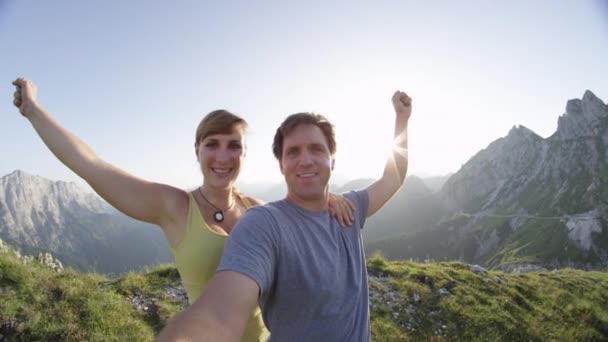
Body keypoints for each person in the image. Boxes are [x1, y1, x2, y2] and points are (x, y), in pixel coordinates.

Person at [11, 78, 356, 342]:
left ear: (244, 154)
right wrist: (34, 110)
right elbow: (89, 164)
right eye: (212, 145)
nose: (223, 157)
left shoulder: (260, 210)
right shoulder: (175, 207)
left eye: (233, 146)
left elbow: (302, 203)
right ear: (197, 151)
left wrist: (328, 198)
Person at [157, 89, 412, 341]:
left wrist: (401, 119)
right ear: (281, 166)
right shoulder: (263, 223)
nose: (306, 160)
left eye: (316, 149)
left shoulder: (349, 210)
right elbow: (221, 315)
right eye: (293, 152)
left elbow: (394, 177)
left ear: (332, 160)